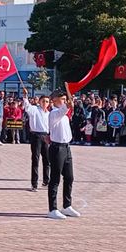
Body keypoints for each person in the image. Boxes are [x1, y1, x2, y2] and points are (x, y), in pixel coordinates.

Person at [46, 90, 80, 220]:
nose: (65, 101)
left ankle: (67, 205)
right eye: (63, 99)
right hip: (57, 148)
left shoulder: (64, 115)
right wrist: (70, 102)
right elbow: (64, 109)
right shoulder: (54, 113)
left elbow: (67, 110)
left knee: (69, 177)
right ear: (54, 100)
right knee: (55, 179)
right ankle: (52, 209)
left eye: (66, 99)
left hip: (67, 147)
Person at [23, 90, 50, 192]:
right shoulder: (34, 109)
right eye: (43, 101)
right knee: (35, 159)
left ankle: (46, 181)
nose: (45, 103)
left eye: (47, 102)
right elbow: (27, 106)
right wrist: (25, 96)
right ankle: (34, 184)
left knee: (47, 160)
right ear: (40, 102)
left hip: (46, 136)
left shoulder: (49, 113)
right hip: (36, 136)